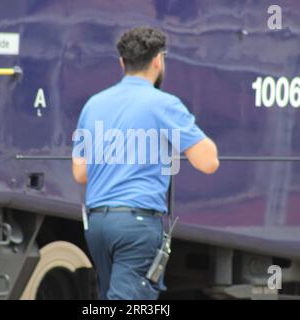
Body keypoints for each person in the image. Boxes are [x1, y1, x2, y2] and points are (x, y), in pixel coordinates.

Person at [72, 27, 219, 300]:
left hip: (98, 225)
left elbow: (80, 173)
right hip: (137, 227)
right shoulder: (164, 104)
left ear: (122, 63)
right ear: (158, 61)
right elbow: (208, 162)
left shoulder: (93, 105)